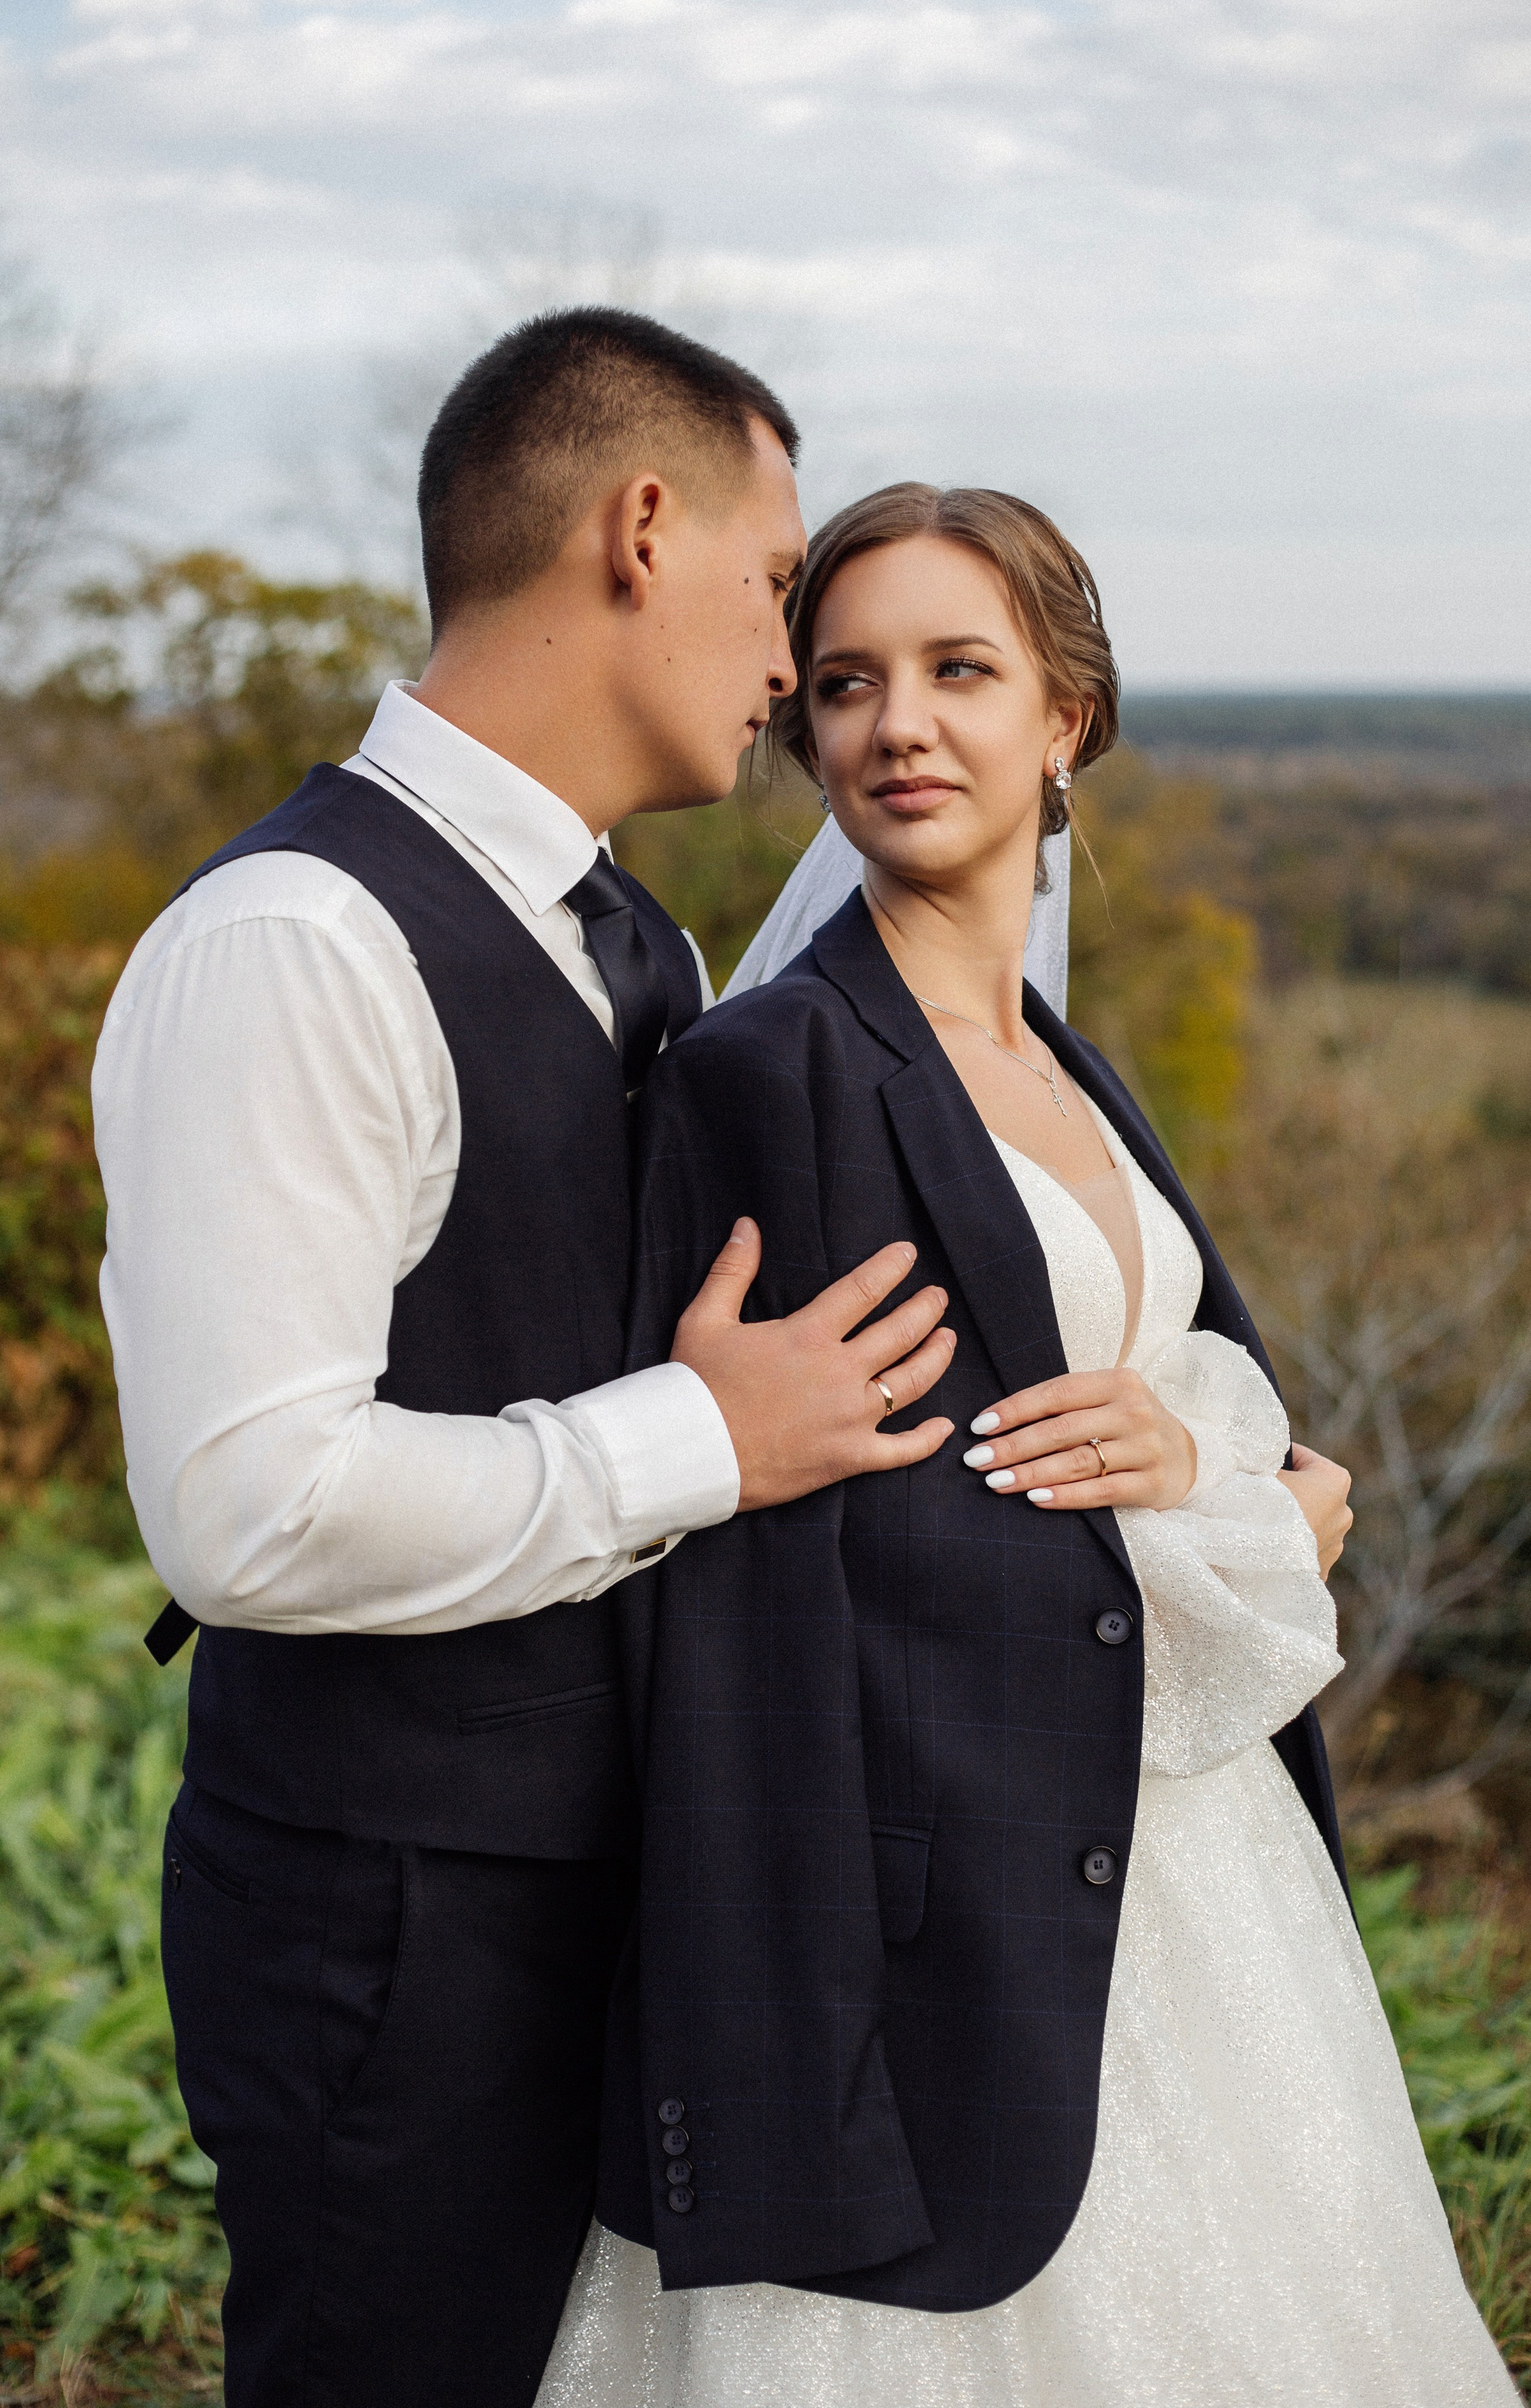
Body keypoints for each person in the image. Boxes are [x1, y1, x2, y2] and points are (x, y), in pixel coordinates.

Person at [539, 483, 1520, 2404]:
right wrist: (1252, 1527)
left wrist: (1222, 1476)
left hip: (1194, 1875)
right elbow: (792, 1563)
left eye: (959, 671)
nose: (896, 724)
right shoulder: (774, 1070)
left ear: (1068, 716)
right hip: (932, 1912)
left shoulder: (1062, 1063)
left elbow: (1150, 1397)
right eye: (845, 683)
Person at [91, 317, 967, 2408]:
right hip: (391, 1927)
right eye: (777, 584)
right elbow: (247, 1511)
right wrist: (699, 1439)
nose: (792, 665)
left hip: (634, 1884)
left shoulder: (643, 946)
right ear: (641, 532)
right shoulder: (297, 943)